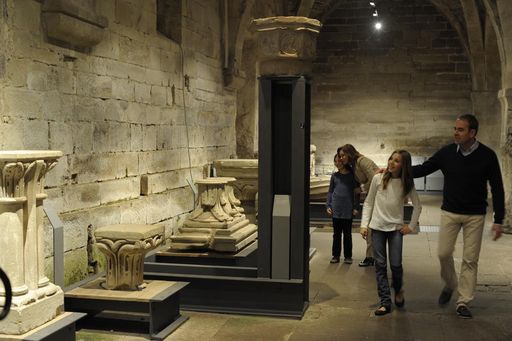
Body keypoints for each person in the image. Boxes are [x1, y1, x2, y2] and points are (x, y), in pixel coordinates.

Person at [412, 114, 505, 319]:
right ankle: (451, 283)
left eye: (460, 129)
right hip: (450, 212)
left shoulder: (487, 156)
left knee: (470, 260)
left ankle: (463, 301)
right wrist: (398, 170)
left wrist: (498, 219)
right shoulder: (447, 153)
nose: (455, 132)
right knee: (443, 254)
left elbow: (497, 188)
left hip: (475, 215)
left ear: (472, 133)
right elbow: (424, 168)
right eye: (455, 128)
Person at [360, 150, 422, 315]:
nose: (391, 163)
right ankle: (385, 302)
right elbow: (368, 202)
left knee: (396, 265)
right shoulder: (378, 178)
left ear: (404, 165)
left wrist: (411, 226)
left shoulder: (406, 183)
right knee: (380, 265)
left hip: (395, 229)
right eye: (391, 159)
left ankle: (398, 289)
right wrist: (364, 225)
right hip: (377, 228)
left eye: (397, 161)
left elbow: (417, 205)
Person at [338, 144, 379, 266]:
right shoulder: (353, 165)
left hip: (377, 196)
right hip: (372, 195)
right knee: (370, 228)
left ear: (350, 153)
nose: (341, 158)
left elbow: (375, 178)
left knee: (372, 227)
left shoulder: (362, 161)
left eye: (343, 155)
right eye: (340, 156)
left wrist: (361, 188)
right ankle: (371, 256)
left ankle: (373, 257)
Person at [326, 154, 360, 264]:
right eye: (335, 161)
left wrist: (356, 207)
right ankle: (335, 255)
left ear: (343, 161)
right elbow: (330, 191)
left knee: (347, 234)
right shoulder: (334, 176)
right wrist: (328, 205)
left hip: (348, 209)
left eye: (339, 161)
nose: (337, 163)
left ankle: (348, 256)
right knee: (336, 234)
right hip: (336, 208)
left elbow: (357, 193)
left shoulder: (352, 176)